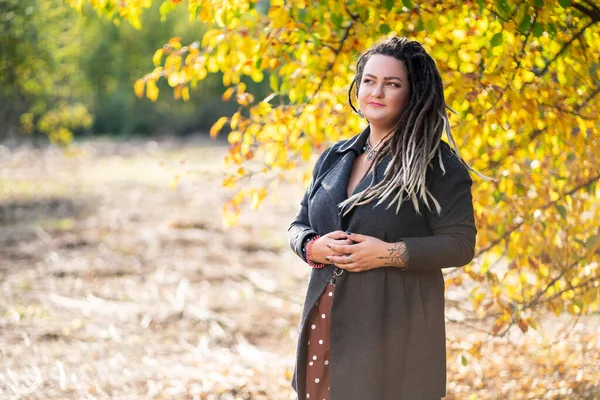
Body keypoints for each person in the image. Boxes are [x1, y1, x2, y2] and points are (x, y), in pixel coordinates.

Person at [287, 36, 478, 400]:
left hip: (394, 330)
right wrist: (314, 247)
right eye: (369, 80)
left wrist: (389, 253)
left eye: (392, 84)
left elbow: (460, 245)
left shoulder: (437, 165)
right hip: (326, 318)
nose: (376, 91)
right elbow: (298, 225)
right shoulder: (335, 157)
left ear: (413, 93)